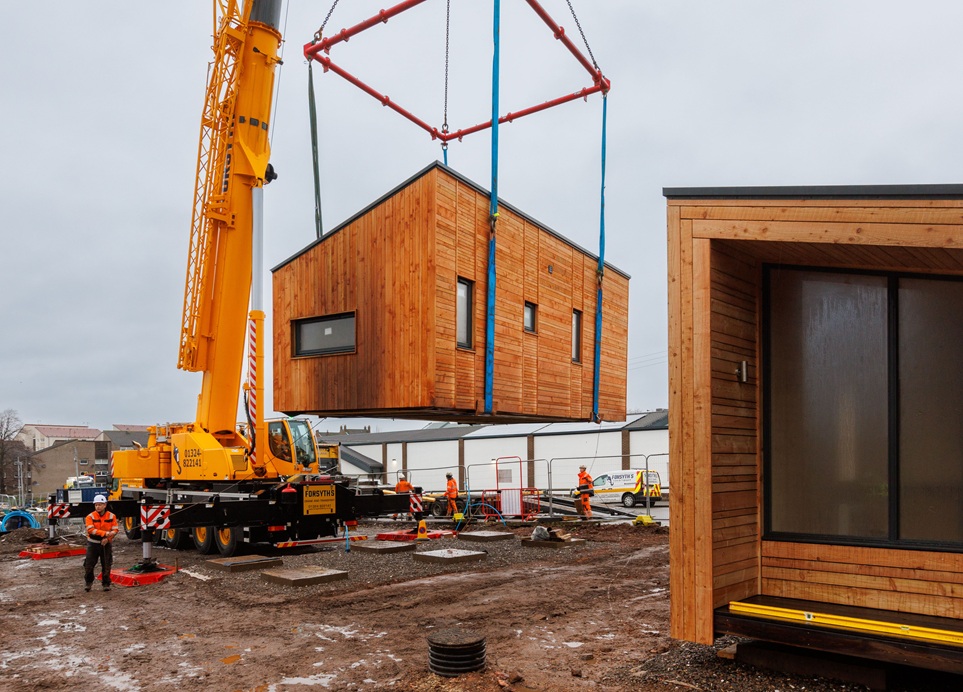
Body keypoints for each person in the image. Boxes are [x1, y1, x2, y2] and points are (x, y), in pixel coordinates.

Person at [84, 494, 119, 592]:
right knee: (89, 565)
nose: (98, 507)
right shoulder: (90, 516)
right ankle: (88, 582)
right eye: (96, 505)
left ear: (105, 505)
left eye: (100, 504)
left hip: (106, 544)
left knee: (106, 564)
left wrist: (107, 539)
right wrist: (105, 534)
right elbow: (91, 530)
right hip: (93, 544)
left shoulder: (112, 516)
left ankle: (106, 584)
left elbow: (115, 530)